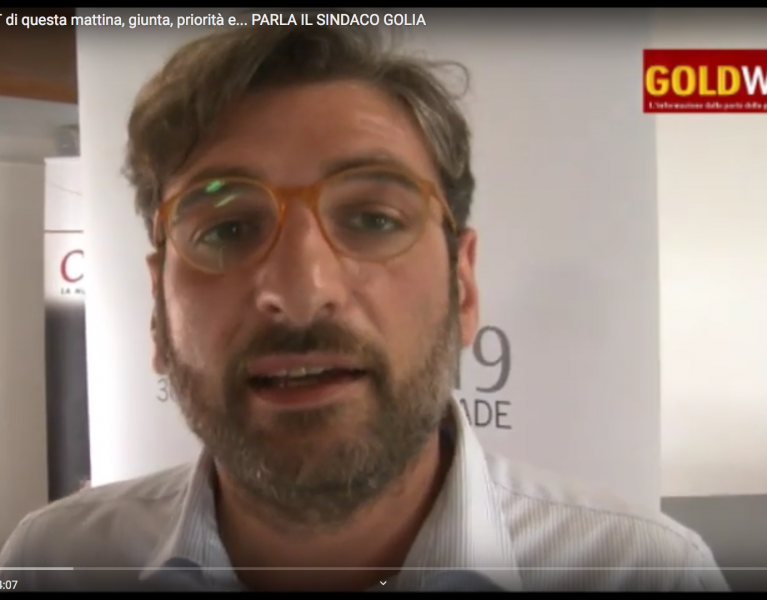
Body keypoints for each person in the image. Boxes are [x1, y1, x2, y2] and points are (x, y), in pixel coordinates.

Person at [0, 13, 729, 593]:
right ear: (158, 311)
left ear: (463, 285)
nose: (301, 290)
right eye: (225, 229)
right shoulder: (54, 562)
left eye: (374, 218)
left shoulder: (643, 572)